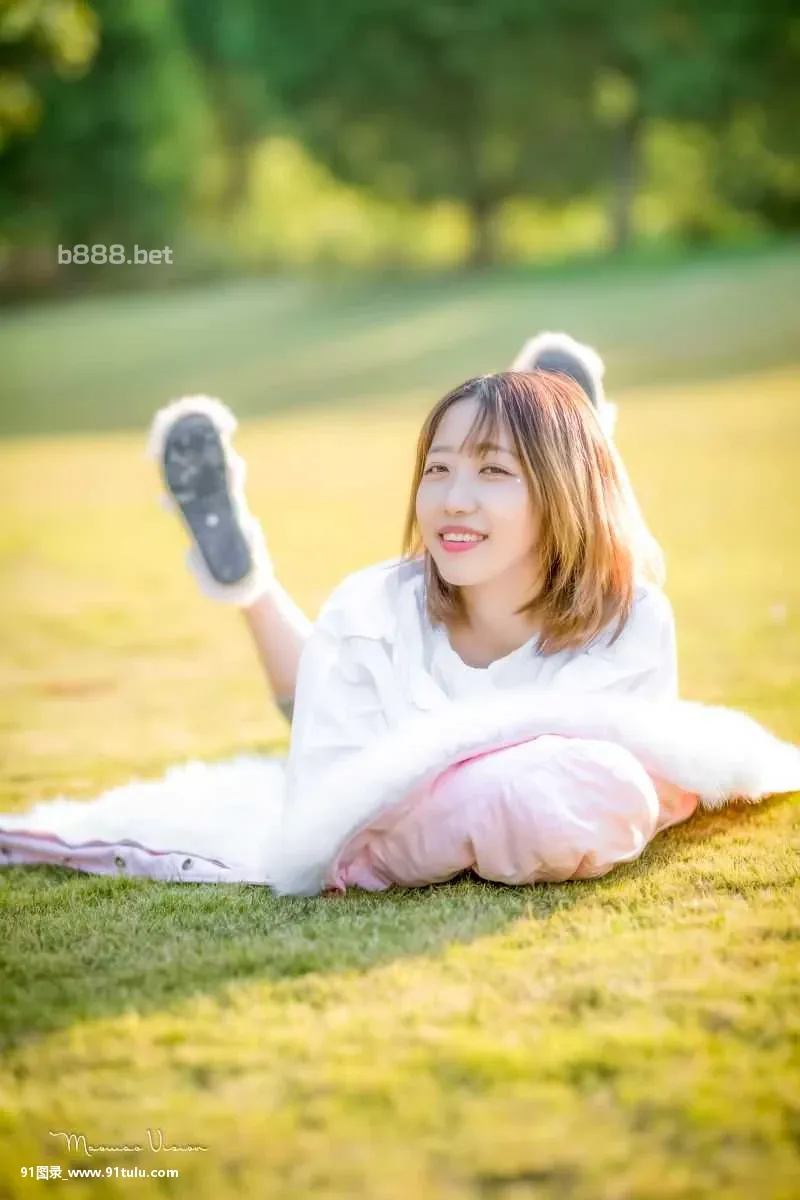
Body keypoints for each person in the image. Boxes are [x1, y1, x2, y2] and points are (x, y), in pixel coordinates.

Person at [147, 331, 661, 736]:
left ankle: (254, 591)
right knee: (340, 699)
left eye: (494, 469)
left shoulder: (632, 618)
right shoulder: (383, 605)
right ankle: (579, 458)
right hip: (438, 709)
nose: (452, 498)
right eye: (437, 469)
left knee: (330, 697)